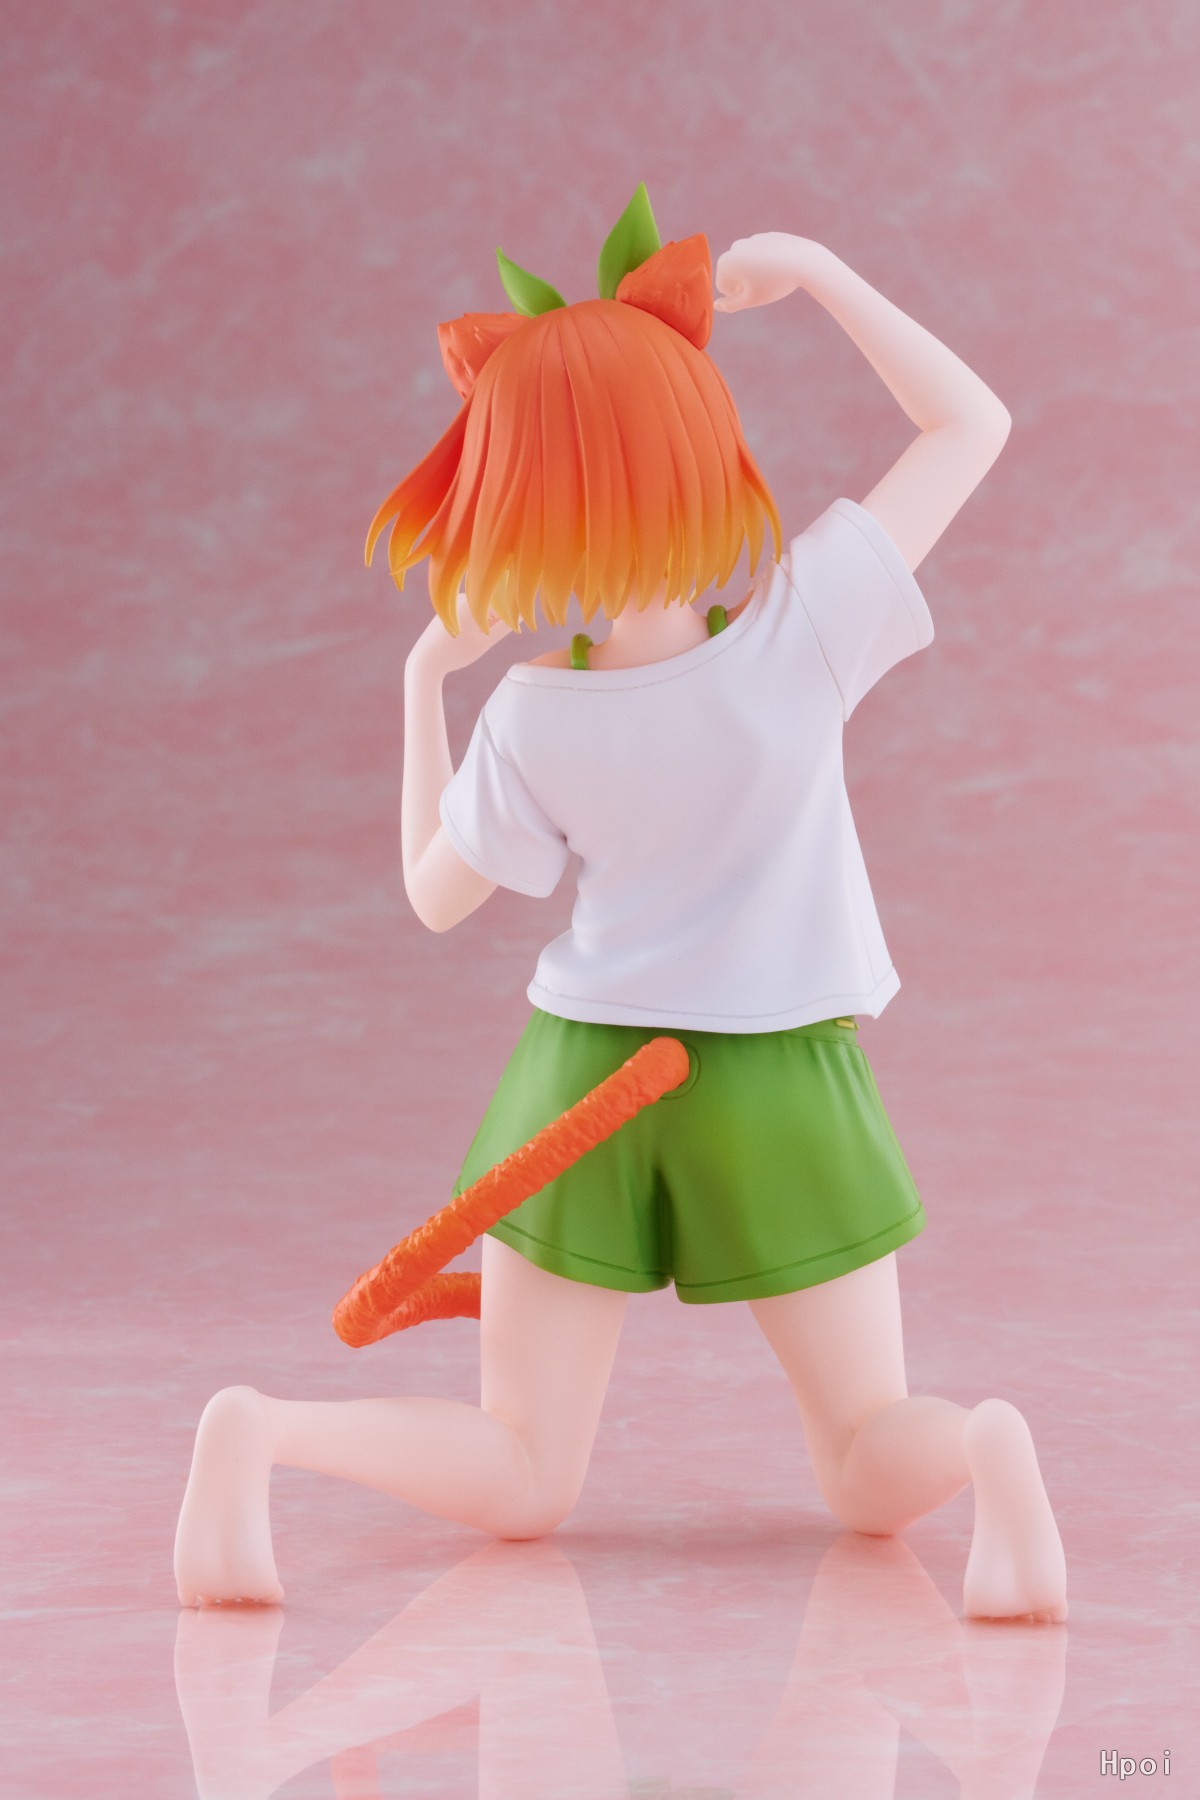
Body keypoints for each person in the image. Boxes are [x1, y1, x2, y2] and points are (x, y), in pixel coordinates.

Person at [174, 209, 1067, 1621]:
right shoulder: (802, 631)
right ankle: (985, 1451)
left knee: (526, 1471)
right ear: (699, 454)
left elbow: (432, 898)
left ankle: (261, 1436)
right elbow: (971, 424)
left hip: (579, 1087)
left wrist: (423, 683)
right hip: (778, 1083)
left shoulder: (532, 713)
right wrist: (816, 273)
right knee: (865, 1456)